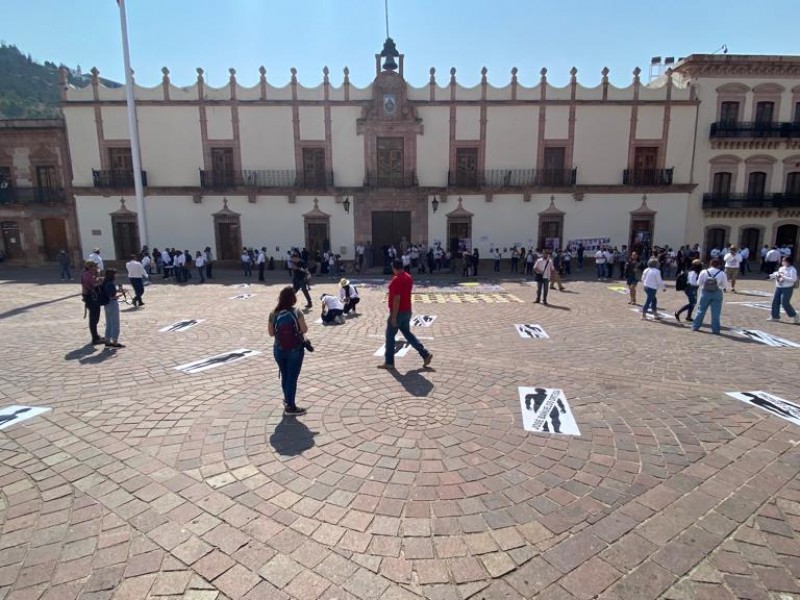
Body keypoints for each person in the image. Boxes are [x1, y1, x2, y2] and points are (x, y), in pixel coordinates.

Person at [378, 259, 433, 370]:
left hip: (398, 312)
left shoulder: (396, 280)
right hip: (407, 310)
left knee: (389, 336)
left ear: (394, 267)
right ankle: (425, 354)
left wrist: (393, 316)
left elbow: (397, 298)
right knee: (407, 334)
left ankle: (389, 362)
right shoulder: (408, 277)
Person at [268, 286, 308, 416]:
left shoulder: (273, 313)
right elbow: (304, 329)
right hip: (295, 349)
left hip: (278, 349)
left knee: (285, 375)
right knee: (292, 377)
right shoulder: (297, 312)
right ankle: (291, 407)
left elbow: (271, 333)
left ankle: (287, 399)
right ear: (293, 299)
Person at [692, 258, 729, 334]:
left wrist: (705, 286)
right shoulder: (722, 273)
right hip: (717, 292)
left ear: (710, 264)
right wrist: (718, 286)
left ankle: (695, 326)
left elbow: (699, 283)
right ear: (718, 265)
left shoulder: (704, 272)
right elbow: (725, 285)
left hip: (705, 292)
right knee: (716, 312)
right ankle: (715, 330)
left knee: (701, 310)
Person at [768, 256, 799, 323]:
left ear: (788, 262)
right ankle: (775, 316)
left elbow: (793, 279)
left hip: (787, 288)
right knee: (775, 301)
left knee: (784, 302)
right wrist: (774, 276)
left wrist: (783, 277)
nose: (782, 262)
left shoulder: (792, 269)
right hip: (778, 286)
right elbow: (778, 275)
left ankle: (795, 315)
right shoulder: (781, 268)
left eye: (784, 261)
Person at [81, 260, 104, 345]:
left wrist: (97, 276)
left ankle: (96, 336)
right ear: (90, 267)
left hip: (92, 297)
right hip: (91, 298)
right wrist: (99, 277)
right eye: (94, 266)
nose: (96, 267)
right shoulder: (87, 275)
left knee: (95, 318)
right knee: (94, 318)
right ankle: (95, 338)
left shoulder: (89, 274)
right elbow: (94, 284)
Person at [102, 269, 124, 348]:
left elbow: (108, 292)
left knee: (109, 323)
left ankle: (107, 340)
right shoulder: (111, 284)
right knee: (115, 323)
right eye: (115, 274)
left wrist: (117, 290)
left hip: (106, 304)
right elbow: (112, 296)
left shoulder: (105, 282)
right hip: (112, 304)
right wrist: (119, 295)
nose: (116, 276)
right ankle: (115, 341)